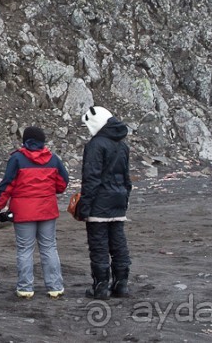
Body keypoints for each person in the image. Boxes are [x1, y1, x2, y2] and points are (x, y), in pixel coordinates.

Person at [0, 126, 69, 299]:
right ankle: (55, 287)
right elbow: (63, 184)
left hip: (24, 212)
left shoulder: (17, 159)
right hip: (47, 210)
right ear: (42, 141)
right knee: (49, 248)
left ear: (25, 141)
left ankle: (25, 288)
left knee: (25, 249)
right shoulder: (53, 159)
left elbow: (6, 186)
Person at [79, 106, 132, 299]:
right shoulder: (123, 146)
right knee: (118, 243)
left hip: (99, 203)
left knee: (99, 245)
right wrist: (124, 199)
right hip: (118, 200)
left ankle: (101, 287)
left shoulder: (96, 145)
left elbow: (91, 178)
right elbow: (127, 179)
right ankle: (121, 284)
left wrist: (84, 206)